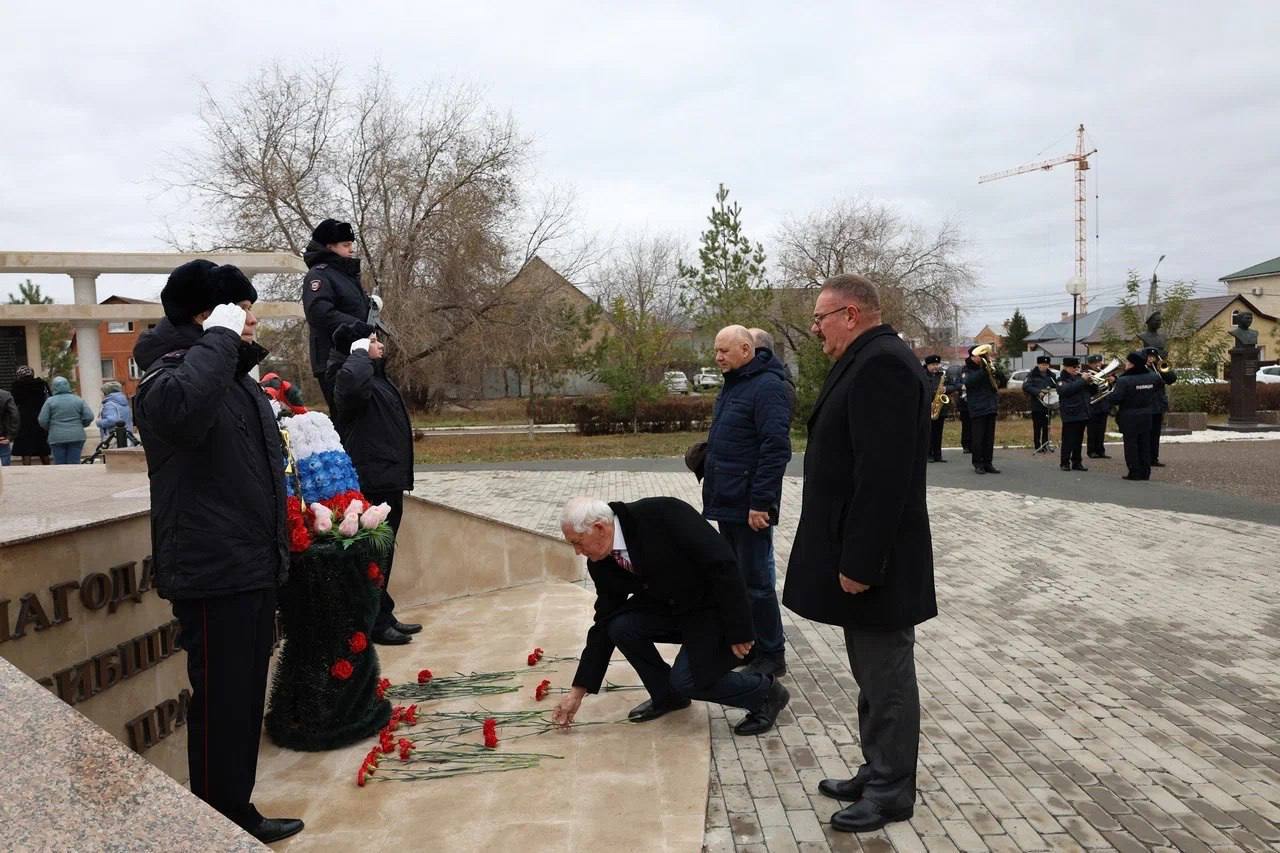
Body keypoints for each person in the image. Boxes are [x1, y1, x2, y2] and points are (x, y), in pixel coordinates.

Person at [132, 259, 303, 844]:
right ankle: (219, 821)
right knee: (222, 703)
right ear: (206, 315)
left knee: (242, 699)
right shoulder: (166, 375)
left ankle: (233, 809)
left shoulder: (230, 378)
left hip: (249, 565)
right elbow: (181, 413)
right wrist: (221, 339)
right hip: (212, 569)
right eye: (239, 310)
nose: (251, 321)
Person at [782, 274, 936, 834]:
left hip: (879, 564)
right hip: (864, 555)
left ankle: (891, 791)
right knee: (872, 675)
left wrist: (861, 563)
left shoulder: (883, 365)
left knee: (887, 677)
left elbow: (882, 477)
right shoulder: (867, 359)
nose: (815, 329)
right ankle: (877, 770)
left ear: (851, 314)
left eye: (820, 318)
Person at [551, 496, 790, 736]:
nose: (578, 552)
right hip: (673, 609)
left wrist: (740, 628)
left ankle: (765, 693)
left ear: (600, 528)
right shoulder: (600, 561)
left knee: (687, 681)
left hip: (712, 608)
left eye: (578, 543)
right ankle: (667, 696)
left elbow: (723, 565)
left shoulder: (662, 513)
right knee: (619, 626)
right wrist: (577, 692)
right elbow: (604, 619)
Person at [702, 324, 792, 677]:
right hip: (727, 498)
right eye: (716, 350)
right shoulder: (735, 383)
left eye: (724, 351)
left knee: (756, 584)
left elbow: (775, 448)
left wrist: (760, 503)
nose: (718, 357)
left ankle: (772, 654)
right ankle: (748, 647)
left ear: (746, 349)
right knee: (736, 581)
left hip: (749, 506)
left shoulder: (767, 386)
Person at [331, 323, 420, 646]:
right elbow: (352, 390)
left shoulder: (375, 377)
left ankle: (383, 613)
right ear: (356, 348)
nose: (380, 345)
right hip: (373, 479)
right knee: (374, 556)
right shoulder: (347, 376)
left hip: (389, 477)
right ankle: (375, 624)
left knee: (383, 555)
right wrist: (358, 355)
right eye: (371, 340)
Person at [302, 218, 372, 412]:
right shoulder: (319, 275)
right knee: (347, 417)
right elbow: (319, 312)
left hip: (355, 355)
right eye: (346, 245)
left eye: (351, 245)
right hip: (333, 359)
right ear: (329, 246)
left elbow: (354, 308)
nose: (351, 250)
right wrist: (358, 326)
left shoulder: (346, 276)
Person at [1107, 351, 1160, 481]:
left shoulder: (1124, 380)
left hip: (1129, 416)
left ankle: (1134, 472)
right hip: (1147, 415)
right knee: (1145, 444)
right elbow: (1157, 390)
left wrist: (1111, 389)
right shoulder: (1153, 377)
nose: (1126, 364)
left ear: (1132, 364)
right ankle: (1145, 472)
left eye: (1128, 362)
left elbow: (1116, 398)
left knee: (1131, 445)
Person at [961, 345, 1000, 474]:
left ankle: (988, 463)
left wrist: (996, 370)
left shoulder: (988, 367)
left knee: (989, 438)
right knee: (978, 438)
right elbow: (968, 382)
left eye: (984, 355)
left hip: (990, 406)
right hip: (977, 407)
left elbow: (1002, 381)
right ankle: (978, 463)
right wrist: (984, 371)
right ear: (972, 357)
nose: (982, 358)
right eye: (979, 356)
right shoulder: (967, 369)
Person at [37, 376, 94, 464]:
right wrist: (81, 425)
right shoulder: (78, 399)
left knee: (60, 463)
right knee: (74, 462)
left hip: (56, 436)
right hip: (76, 435)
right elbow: (89, 416)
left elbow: (42, 420)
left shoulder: (50, 401)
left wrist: (51, 428)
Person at [1056, 357, 1090, 471]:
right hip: (1070, 413)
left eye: (1078, 367)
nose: (1077, 369)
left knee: (1078, 440)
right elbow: (1066, 390)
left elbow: (1090, 392)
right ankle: (1064, 462)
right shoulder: (1061, 379)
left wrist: (1092, 383)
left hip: (1082, 412)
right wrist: (1082, 381)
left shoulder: (1080, 378)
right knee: (1068, 440)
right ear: (1066, 367)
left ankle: (1077, 462)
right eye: (1074, 367)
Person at [11, 367, 51, 464]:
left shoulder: (17, 386)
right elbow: (49, 398)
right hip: (40, 419)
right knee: (43, 448)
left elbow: (14, 402)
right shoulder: (42, 384)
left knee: (25, 450)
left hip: (24, 421)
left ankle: (26, 469)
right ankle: (48, 468)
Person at [1145, 348, 1177, 468]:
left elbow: (1172, 379)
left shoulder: (1158, 367)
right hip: (1147, 405)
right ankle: (1146, 457)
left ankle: (1154, 458)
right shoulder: (1142, 369)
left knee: (1155, 433)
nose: (1151, 359)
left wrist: (1163, 368)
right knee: (1147, 433)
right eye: (1149, 356)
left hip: (1158, 405)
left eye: (1153, 357)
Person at [1022, 355, 1058, 453]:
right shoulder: (1032, 375)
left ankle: (1045, 444)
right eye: (1042, 364)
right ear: (1038, 364)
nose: (1044, 366)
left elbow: (1056, 386)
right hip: (1037, 405)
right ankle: (1037, 445)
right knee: (1037, 426)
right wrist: (1038, 392)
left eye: (1046, 364)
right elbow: (1026, 386)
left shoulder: (1051, 375)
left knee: (1046, 426)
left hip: (1048, 405)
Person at [1084, 354, 1112, 459]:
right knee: (1092, 430)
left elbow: (1111, 387)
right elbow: (1088, 389)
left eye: (1099, 362)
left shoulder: (1105, 372)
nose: (1097, 365)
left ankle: (1101, 450)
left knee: (1101, 429)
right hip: (1092, 405)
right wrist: (1094, 382)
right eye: (1095, 363)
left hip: (1103, 405)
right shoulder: (1087, 374)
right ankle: (1091, 450)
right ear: (1090, 364)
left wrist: (1112, 380)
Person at [922, 355, 949, 463]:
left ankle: (938, 454)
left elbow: (955, 385)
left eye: (937, 364)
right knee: (929, 433)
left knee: (938, 432)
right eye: (933, 365)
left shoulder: (941, 375)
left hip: (939, 408)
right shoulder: (922, 375)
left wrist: (946, 389)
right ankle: (928, 454)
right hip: (928, 407)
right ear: (927, 365)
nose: (936, 367)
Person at [0, 384, 18, 466]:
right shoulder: (5, 395)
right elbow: (15, 415)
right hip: (2, 437)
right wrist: (10, 436)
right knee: (5, 466)